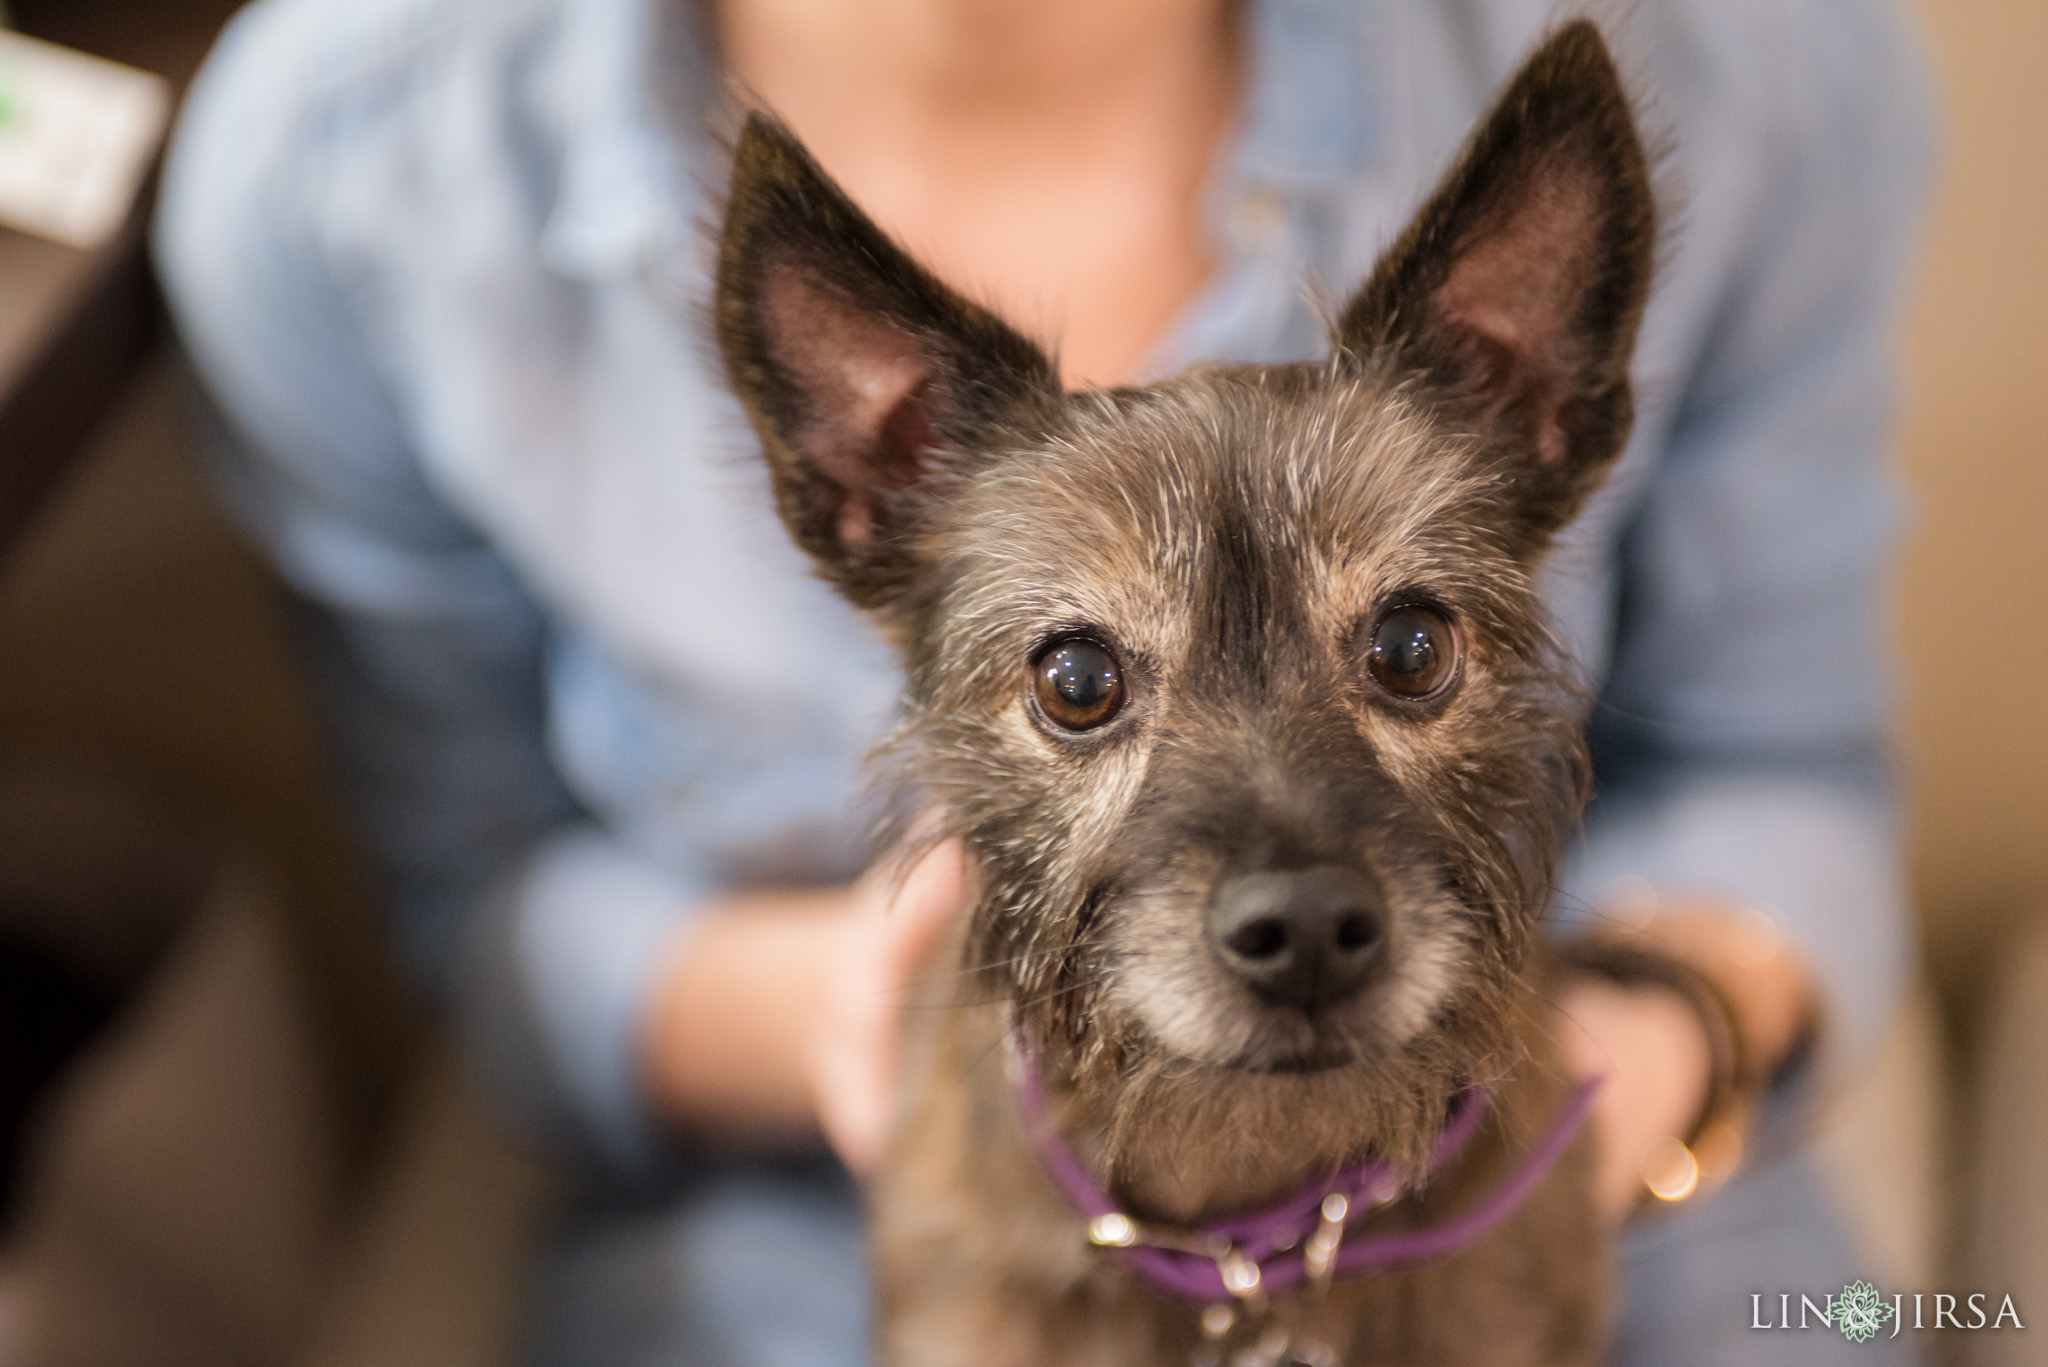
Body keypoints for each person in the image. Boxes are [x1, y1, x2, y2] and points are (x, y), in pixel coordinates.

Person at [154, 0, 1934, 1363]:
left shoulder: (1747, 47)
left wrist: (1673, 1035)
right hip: (826, 1189)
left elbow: (1790, 764)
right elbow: (479, 907)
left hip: (1591, 1135)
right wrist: (837, 1017)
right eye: (1086, 684)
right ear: (859, 488)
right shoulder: (341, 159)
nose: (1287, 899)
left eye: (1405, 652)